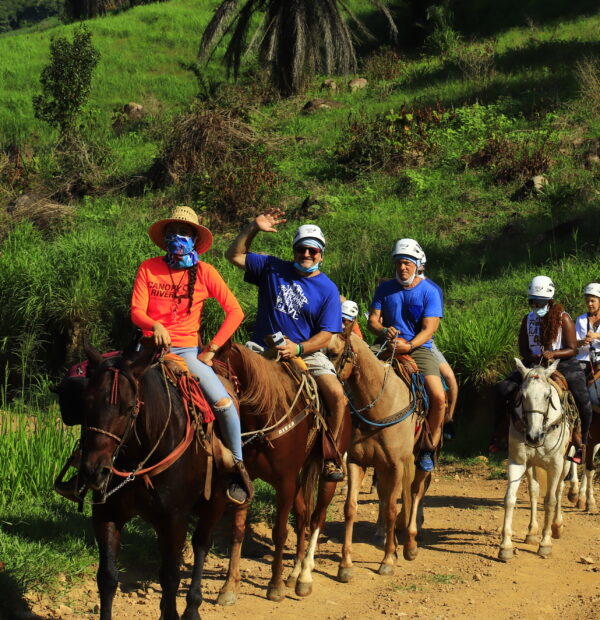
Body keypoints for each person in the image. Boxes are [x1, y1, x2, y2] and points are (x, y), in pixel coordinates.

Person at [131, 205, 252, 504]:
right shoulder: (148, 267)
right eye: (172, 232)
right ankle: (88, 465)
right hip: (147, 349)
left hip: (185, 351)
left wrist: (210, 350)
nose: (177, 237)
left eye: (184, 233)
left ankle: (237, 467)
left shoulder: (206, 272)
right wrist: (154, 324)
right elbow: (136, 311)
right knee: (108, 392)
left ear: (194, 239)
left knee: (224, 404)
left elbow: (235, 312)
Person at [225, 208, 347, 482]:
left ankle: (330, 455)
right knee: (222, 385)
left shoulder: (328, 289)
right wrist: (252, 228)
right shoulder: (271, 267)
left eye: (312, 251)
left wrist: (299, 348)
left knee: (337, 395)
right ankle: (219, 452)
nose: (306, 255)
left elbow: (327, 334)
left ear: (321, 255)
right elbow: (233, 255)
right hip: (260, 350)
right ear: (294, 250)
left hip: (303, 352)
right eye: (301, 249)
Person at [493, 275, 592, 464]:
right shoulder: (527, 319)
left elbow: (573, 348)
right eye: (533, 301)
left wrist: (554, 354)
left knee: (583, 401)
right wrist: (533, 358)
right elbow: (523, 348)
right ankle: (499, 434)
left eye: (540, 302)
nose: (536, 305)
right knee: (503, 389)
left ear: (549, 300)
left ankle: (581, 443)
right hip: (533, 364)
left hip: (563, 363)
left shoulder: (563, 318)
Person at [367, 238, 446, 472]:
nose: (402, 268)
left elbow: (429, 328)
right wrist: (383, 330)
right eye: (399, 263)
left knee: (439, 396)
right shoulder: (384, 288)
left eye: (407, 263)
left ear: (416, 264)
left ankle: (427, 447)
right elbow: (372, 321)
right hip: (384, 345)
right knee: (351, 374)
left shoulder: (430, 291)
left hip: (418, 348)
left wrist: (409, 346)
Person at [417, 254, 458, 438]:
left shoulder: (432, 289)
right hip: (397, 340)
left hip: (425, 342)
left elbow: (432, 325)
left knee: (449, 377)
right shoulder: (392, 287)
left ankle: (449, 419)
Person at [575, 282, 600, 376]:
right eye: (587, 301)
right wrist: (582, 342)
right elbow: (574, 343)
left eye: (593, 301)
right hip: (583, 359)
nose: (589, 304)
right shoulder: (580, 319)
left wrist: (596, 335)